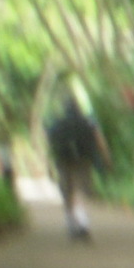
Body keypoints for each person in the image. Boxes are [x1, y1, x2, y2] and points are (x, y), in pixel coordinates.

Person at [46, 98, 107, 241]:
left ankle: (71, 224)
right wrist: (105, 157)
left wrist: (48, 164)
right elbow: (99, 141)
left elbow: (49, 145)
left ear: (64, 109)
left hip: (63, 161)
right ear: (78, 108)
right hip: (83, 161)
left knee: (67, 192)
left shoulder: (56, 124)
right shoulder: (88, 122)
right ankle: (83, 223)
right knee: (80, 190)